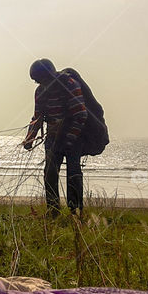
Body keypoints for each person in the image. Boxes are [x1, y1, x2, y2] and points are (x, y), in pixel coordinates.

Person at [22, 59, 89, 217]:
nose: (39, 83)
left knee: (73, 172)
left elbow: (81, 115)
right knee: (50, 172)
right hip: (52, 137)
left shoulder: (70, 84)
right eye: (37, 81)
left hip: (74, 135)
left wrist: (69, 139)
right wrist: (30, 138)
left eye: (41, 79)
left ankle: (76, 211)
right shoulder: (40, 92)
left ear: (49, 75)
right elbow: (37, 117)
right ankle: (53, 211)